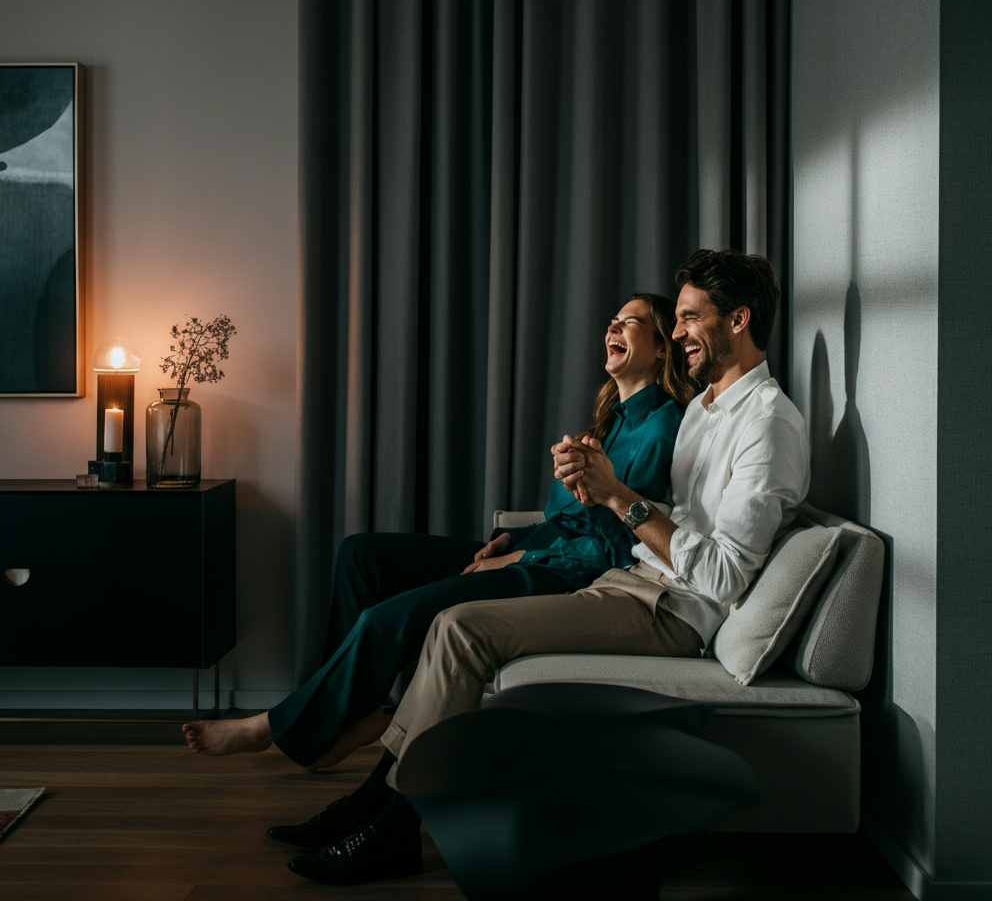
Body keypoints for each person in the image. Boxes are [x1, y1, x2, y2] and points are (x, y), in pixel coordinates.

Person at [286, 248, 810, 886]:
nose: (677, 333)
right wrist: (599, 482)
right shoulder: (704, 410)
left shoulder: (769, 425)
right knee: (451, 622)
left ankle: (391, 827)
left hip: (672, 610)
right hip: (633, 581)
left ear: (739, 319)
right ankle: (375, 806)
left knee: (460, 628)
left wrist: (619, 497)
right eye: (675, 319)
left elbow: (724, 576)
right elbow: (677, 517)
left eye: (690, 317)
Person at [183, 293, 696, 786]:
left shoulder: (662, 426)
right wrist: (511, 538)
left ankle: (276, 726)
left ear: (660, 348)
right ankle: (346, 716)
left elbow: (621, 546)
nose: (613, 326)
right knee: (361, 555)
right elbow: (570, 518)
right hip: (537, 552)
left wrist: (524, 555)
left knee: (385, 619)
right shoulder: (606, 425)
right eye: (612, 319)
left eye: (631, 321)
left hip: (566, 577)